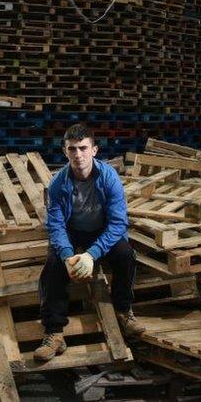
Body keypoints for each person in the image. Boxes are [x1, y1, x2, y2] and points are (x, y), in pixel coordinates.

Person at [34, 123, 143, 362]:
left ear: (94, 150)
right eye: (72, 149)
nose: (78, 154)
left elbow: (118, 224)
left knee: (126, 255)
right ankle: (54, 333)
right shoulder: (58, 184)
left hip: (101, 231)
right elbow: (56, 225)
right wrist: (67, 256)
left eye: (83, 148)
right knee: (52, 267)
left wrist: (92, 254)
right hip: (73, 232)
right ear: (65, 152)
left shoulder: (109, 178)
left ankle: (124, 312)